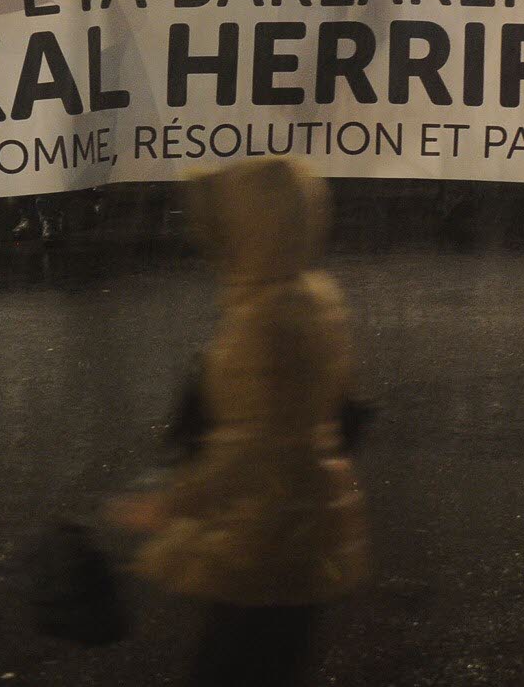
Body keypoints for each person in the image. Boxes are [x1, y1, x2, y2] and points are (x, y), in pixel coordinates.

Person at [107, 157, 369, 687]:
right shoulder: (314, 295)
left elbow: (255, 449)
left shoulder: (266, 317)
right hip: (304, 526)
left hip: (264, 537)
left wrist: (167, 505)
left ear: (252, 228)